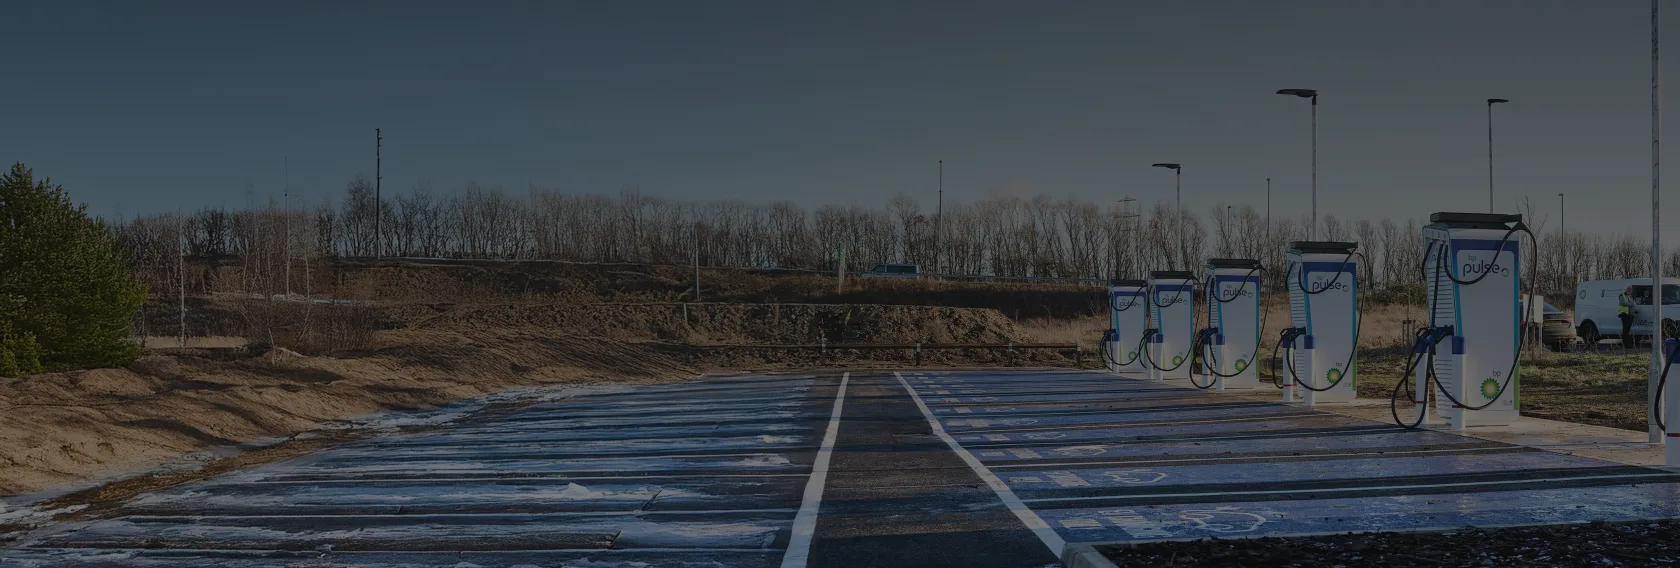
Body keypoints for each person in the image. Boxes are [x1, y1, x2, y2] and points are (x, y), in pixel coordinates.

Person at [1620, 286, 1637, 351]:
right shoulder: (1622, 295)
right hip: (1624, 315)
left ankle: (1627, 344)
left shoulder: (1632, 297)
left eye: (1631, 289)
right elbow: (1622, 303)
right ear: (1626, 289)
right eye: (1628, 289)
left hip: (1630, 315)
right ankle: (1625, 344)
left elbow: (1634, 306)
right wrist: (1630, 304)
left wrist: (1634, 314)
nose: (1630, 290)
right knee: (1625, 329)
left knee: (1628, 330)